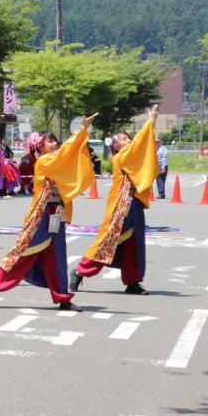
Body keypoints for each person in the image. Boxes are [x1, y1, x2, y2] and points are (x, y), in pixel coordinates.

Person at [0, 116, 96, 311]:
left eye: (54, 140)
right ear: (39, 148)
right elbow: (66, 154)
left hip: (56, 210)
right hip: (41, 213)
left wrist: (82, 137)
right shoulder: (44, 161)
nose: (54, 143)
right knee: (23, 252)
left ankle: (63, 298)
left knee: (58, 255)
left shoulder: (57, 158)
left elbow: (73, 157)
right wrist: (79, 132)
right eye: (49, 141)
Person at [70, 105, 160, 296]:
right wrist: (150, 121)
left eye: (128, 138)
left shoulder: (129, 156)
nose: (128, 140)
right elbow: (139, 147)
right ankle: (80, 271)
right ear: (116, 146)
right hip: (121, 205)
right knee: (107, 241)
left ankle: (133, 281)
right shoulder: (121, 158)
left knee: (132, 244)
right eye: (124, 139)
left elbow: (143, 150)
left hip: (132, 203)